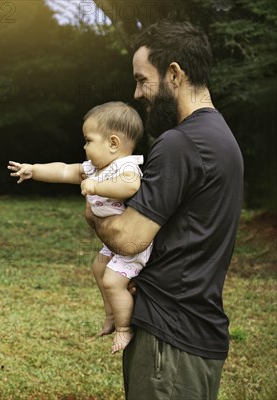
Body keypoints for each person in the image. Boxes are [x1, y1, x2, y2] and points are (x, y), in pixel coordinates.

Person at [84, 20, 244, 399]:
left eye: (143, 80)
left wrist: (94, 213)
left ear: (174, 74)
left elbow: (127, 238)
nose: (138, 93)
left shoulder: (180, 143)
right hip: (200, 333)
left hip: (168, 340)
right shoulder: (223, 139)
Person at [8, 101, 151, 353]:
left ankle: (125, 328)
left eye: (88, 140)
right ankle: (111, 314)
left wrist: (97, 187)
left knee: (112, 281)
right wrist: (34, 170)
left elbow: (130, 187)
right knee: (98, 267)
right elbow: (64, 171)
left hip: (131, 246)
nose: (84, 147)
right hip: (113, 243)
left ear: (113, 143)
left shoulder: (125, 166)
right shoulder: (96, 167)